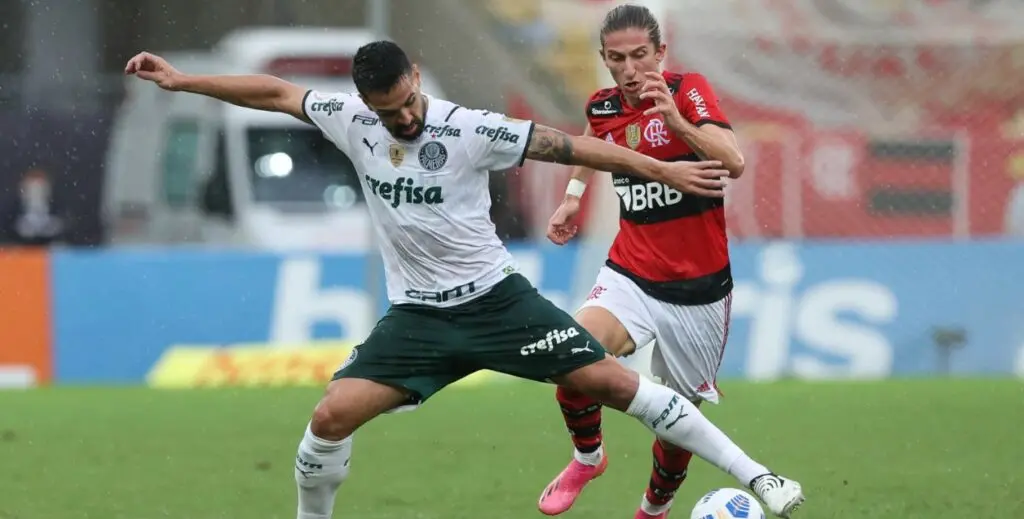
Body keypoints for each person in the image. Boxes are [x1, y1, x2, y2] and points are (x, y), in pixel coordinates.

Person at [125, 39, 794, 519]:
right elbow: (272, 93)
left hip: (499, 305)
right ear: (366, 104)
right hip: (417, 319)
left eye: (409, 101)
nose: (406, 118)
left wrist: (667, 169)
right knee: (329, 415)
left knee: (618, 385)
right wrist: (184, 81)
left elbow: (573, 145)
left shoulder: (471, 128)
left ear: (417, 77)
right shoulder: (350, 120)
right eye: (391, 112)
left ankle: (759, 475)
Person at [539, 5, 804, 519]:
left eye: (641, 55)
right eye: (618, 59)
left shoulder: (688, 90)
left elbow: (734, 161)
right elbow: (593, 141)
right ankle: (588, 457)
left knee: (678, 426)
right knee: (572, 359)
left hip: (699, 292)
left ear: (661, 53)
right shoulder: (604, 105)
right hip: (630, 273)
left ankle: (653, 510)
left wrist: (677, 122)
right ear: (605, 61)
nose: (631, 69)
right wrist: (573, 195)